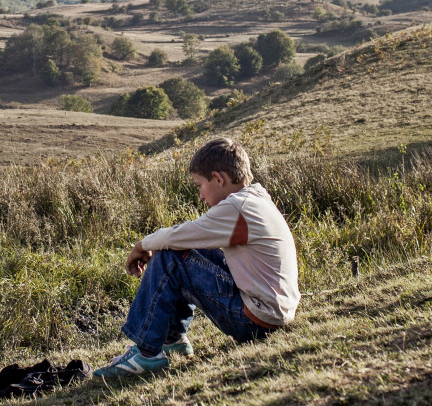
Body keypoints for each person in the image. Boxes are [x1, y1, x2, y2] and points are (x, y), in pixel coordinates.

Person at [94, 136, 300, 379]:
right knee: (183, 250)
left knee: (169, 257)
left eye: (199, 186)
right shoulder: (256, 197)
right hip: (273, 313)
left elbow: (178, 235)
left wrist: (142, 245)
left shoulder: (237, 208)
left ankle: (147, 353)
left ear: (218, 179)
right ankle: (173, 339)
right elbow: (187, 238)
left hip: (254, 321)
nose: (200, 196)